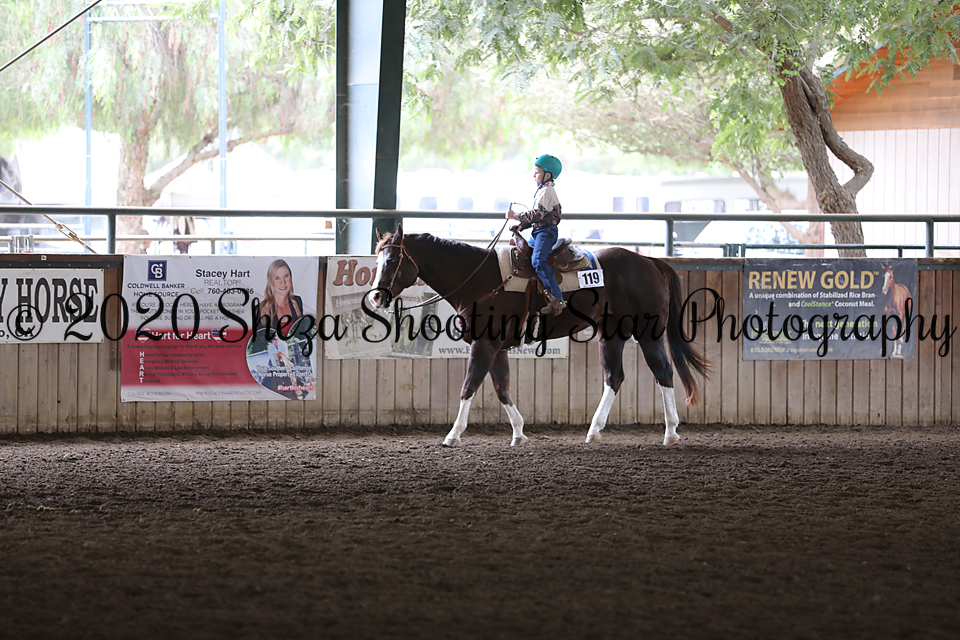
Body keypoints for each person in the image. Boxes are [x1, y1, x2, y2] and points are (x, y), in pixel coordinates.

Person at [507, 154, 566, 315]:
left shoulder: (547, 191)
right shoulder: (543, 191)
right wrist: (521, 226)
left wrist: (515, 216)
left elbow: (536, 215)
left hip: (546, 232)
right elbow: (537, 218)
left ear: (547, 175)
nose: (534, 176)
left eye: (537, 172)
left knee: (538, 260)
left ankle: (558, 298)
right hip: (539, 231)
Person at [255, 259, 305, 336]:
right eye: (277, 278)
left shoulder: (297, 302)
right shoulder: (260, 310)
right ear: (271, 281)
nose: (283, 282)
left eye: (286, 276)